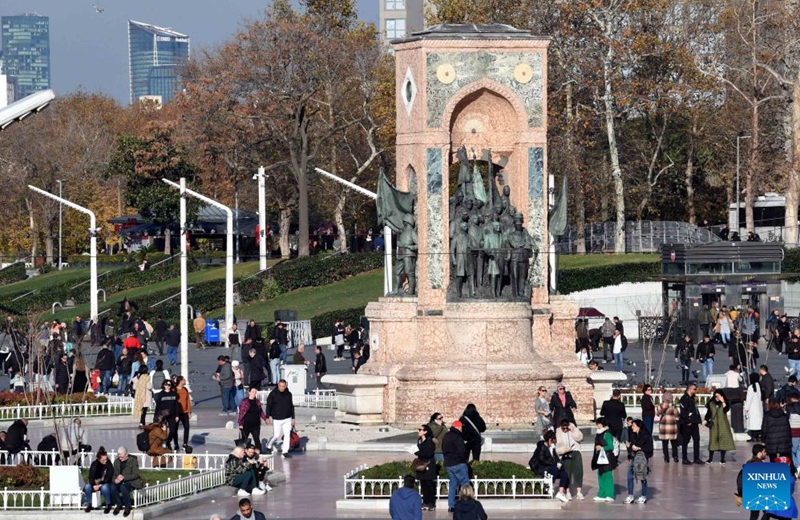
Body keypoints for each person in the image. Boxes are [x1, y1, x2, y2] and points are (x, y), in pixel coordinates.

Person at [529, 430, 570, 502]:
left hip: (549, 467)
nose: (553, 443)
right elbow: (541, 459)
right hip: (540, 467)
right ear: (550, 439)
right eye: (552, 441)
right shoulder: (542, 447)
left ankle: (560, 493)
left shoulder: (551, 448)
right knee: (555, 470)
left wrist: (559, 466)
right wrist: (554, 464)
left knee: (564, 473)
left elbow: (554, 460)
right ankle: (548, 487)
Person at [442, 419, 470, 513]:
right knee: (465, 484)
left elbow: (443, 449)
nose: (462, 428)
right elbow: (462, 451)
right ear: (458, 427)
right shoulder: (458, 437)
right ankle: (466, 504)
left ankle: (451, 506)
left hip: (448, 464)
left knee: (453, 484)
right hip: (458, 463)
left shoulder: (446, 435)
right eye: (461, 427)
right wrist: (463, 460)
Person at [264, 379, 295, 458]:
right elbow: (268, 406)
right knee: (276, 435)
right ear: (278, 385)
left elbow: (291, 406)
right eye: (280, 386)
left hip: (287, 418)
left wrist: (293, 418)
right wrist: (267, 417)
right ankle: (269, 445)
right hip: (277, 419)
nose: (281, 388)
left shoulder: (289, 394)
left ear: (286, 386)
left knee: (287, 435)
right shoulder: (273, 394)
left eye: (283, 386)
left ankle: (285, 452)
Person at [624, 419, 652, 504]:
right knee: (629, 476)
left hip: (642, 458)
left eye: (634, 426)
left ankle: (643, 496)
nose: (632, 427)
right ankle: (630, 495)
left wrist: (640, 448)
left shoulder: (646, 435)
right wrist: (629, 447)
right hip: (634, 457)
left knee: (642, 476)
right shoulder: (633, 435)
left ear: (639, 427)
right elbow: (632, 446)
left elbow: (650, 449)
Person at [555, 419, 584, 500]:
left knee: (578, 471)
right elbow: (558, 445)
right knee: (567, 473)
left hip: (576, 452)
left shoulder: (573, 428)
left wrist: (573, 431)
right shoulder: (558, 432)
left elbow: (580, 438)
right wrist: (564, 450)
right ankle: (568, 492)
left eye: (566, 428)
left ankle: (579, 492)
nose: (565, 430)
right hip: (566, 453)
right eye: (563, 428)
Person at [704, 389, 735, 464]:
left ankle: (722, 459)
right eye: (716, 396)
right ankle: (710, 458)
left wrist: (723, 401)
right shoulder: (711, 403)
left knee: (723, 441)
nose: (717, 398)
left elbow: (726, 410)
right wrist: (705, 420)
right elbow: (709, 413)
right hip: (714, 425)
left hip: (723, 425)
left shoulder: (724, 403)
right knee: (713, 441)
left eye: (718, 396)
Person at [591, 417, 618, 502]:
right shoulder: (598, 433)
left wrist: (602, 447)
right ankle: (601, 494)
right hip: (600, 458)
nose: (597, 425)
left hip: (607, 458)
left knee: (607, 475)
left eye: (598, 424)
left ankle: (610, 494)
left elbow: (610, 446)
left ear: (602, 424)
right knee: (601, 475)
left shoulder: (607, 434)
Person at [112, 446, 143, 517]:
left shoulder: (133, 460)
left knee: (123, 487)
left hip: (131, 481)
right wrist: (115, 479)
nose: (120, 458)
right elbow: (114, 474)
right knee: (112, 487)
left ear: (126, 454)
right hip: (119, 481)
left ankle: (127, 506)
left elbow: (136, 474)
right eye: (119, 457)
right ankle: (119, 504)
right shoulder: (116, 462)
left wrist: (124, 477)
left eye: (122, 457)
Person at [83, 446, 115, 513]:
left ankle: (108, 504)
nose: (105, 461)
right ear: (98, 459)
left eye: (106, 459)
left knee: (104, 487)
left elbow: (109, 477)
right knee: (87, 487)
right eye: (103, 460)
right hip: (95, 483)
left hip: (105, 483)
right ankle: (90, 504)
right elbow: (91, 476)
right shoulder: (94, 465)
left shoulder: (109, 465)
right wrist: (93, 485)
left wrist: (100, 484)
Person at [414, 424, 438, 511]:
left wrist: (417, 452)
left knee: (429, 483)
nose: (418, 431)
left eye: (420, 430)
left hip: (428, 465)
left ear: (425, 432)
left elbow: (429, 453)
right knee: (423, 483)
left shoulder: (430, 441)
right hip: (421, 464)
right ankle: (425, 501)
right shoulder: (420, 440)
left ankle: (431, 503)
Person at [679, 383, 703, 464]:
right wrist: (687, 421)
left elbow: (694, 410)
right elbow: (683, 412)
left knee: (696, 440)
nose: (695, 390)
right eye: (694, 389)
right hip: (687, 423)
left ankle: (696, 458)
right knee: (685, 441)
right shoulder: (684, 399)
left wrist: (699, 420)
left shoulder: (692, 398)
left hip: (694, 422)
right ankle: (684, 459)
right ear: (689, 389)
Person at [153, 379, 178, 448]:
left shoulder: (174, 394)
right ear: (164, 385)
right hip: (163, 414)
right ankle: (164, 443)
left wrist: (177, 415)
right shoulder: (161, 394)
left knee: (172, 431)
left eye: (169, 385)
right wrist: (155, 415)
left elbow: (176, 405)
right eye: (166, 384)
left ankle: (168, 441)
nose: (167, 386)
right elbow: (158, 406)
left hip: (172, 414)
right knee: (163, 430)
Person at [657, 391, 679, 463]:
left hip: (663, 428)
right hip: (672, 427)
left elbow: (658, 413)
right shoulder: (673, 406)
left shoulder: (660, 406)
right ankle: (675, 456)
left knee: (665, 444)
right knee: (674, 444)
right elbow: (677, 416)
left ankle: (666, 458)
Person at [745, 372, 764, 442]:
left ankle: (753, 437)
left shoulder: (751, 387)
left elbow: (748, 399)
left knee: (753, 424)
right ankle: (758, 436)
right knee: (758, 423)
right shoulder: (759, 386)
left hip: (752, 408)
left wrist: (746, 408)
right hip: (759, 407)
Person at [175, 376, 192, 452]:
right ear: (180, 381)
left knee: (187, 427)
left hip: (184, 412)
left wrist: (189, 411)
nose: (185, 381)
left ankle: (185, 443)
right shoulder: (175, 390)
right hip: (177, 412)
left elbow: (188, 400)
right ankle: (176, 444)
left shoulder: (185, 389)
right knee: (175, 429)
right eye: (184, 380)